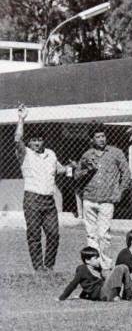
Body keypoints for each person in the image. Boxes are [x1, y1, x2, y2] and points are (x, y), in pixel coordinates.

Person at [14, 104, 68, 272]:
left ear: (43, 140)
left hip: (49, 200)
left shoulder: (51, 154)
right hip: (32, 199)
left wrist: (78, 167)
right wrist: (21, 119)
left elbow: (61, 170)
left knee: (53, 234)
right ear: (29, 142)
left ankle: (49, 266)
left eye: (39, 140)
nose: (37, 143)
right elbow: (17, 139)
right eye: (34, 140)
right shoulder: (25, 154)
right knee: (34, 235)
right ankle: (38, 267)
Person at [75, 124, 131, 264]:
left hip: (107, 200)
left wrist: (120, 192)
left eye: (103, 136)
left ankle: (106, 264)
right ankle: (94, 264)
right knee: (91, 235)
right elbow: (77, 175)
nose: (101, 139)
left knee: (104, 234)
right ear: (92, 140)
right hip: (89, 198)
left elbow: (126, 174)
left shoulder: (116, 153)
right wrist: (87, 170)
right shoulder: (87, 155)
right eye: (97, 137)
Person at [58, 247, 132, 302]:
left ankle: (127, 295)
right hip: (101, 294)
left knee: (123, 267)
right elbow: (73, 284)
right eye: (96, 258)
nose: (98, 260)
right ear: (87, 260)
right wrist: (61, 298)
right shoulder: (82, 269)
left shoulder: (97, 268)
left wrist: (82, 296)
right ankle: (126, 296)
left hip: (106, 291)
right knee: (121, 267)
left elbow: (89, 284)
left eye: (98, 258)